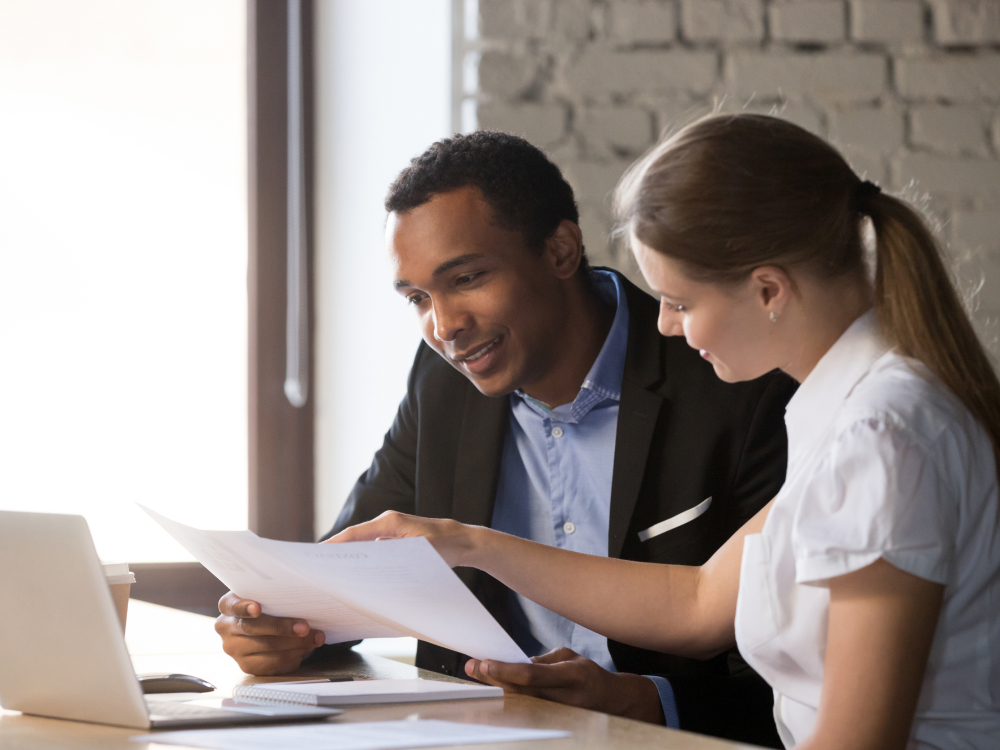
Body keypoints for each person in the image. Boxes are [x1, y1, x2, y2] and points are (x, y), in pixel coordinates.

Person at [328, 114, 1000, 750]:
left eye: (680, 302)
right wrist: (467, 542)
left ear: (768, 290)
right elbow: (699, 600)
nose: (664, 327)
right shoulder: (852, 411)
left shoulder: (880, 436)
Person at [214, 132, 796, 745]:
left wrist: (648, 700)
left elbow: (799, 676)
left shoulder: (737, 386)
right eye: (417, 298)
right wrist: (281, 627)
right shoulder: (441, 385)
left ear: (562, 250)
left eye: (465, 278)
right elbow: (351, 569)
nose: (444, 327)